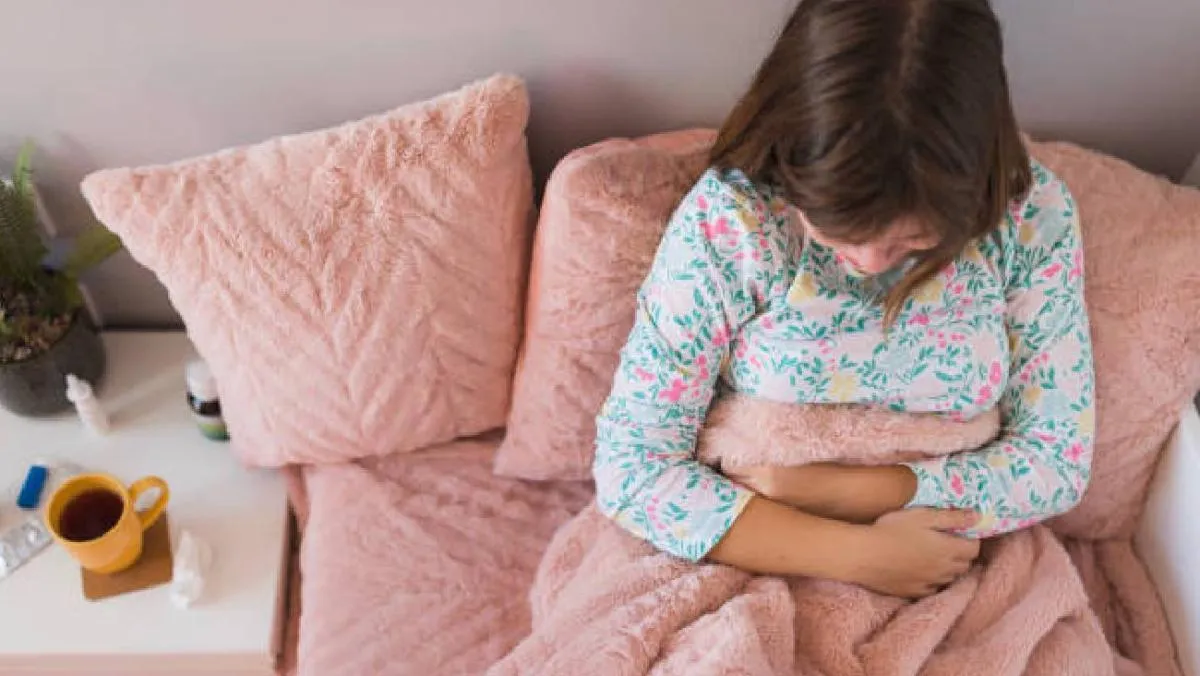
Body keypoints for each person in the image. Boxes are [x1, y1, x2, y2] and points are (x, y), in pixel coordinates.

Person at [592, 0, 1095, 599]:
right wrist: (855, 555)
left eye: (914, 239)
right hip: (745, 535)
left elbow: (1055, 461)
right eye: (837, 229)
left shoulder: (1031, 218)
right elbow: (633, 466)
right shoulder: (736, 219)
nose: (872, 261)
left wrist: (849, 492)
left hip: (946, 546)